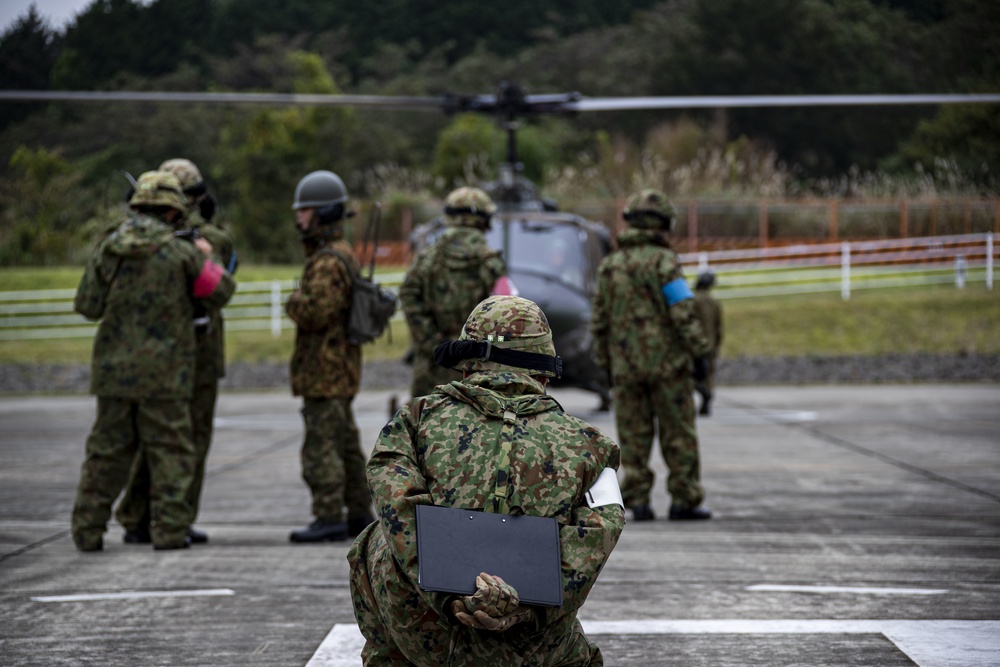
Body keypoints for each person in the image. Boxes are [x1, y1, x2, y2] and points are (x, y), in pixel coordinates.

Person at [348, 295, 624, 666]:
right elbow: (602, 529)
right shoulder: (593, 447)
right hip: (532, 647)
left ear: (467, 369)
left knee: (376, 539)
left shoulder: (414, 422)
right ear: (543, 375)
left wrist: (453, 598)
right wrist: (526, 610)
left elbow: (396, 505)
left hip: (430, 642)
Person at [71, 170, 235, 551]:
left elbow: (87, 305)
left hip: (113, 374)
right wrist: (206, 257)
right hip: (167, 375)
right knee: (172, 454)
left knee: (105, 454)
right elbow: (222, 291)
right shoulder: (181, 253)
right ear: (173, 212)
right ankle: (169, 532)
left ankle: (87, 531)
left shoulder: (109, 249)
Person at [114, 158, 238, 545]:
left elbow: (220, 287)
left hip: (194, 355)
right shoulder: (145, 242)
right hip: (168, 356)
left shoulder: (210, 240)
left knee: (182, 442)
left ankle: (168, 517)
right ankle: (146, 517)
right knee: (164, 441)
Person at [591, 189, 713, 522]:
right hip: (668, 366)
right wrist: (699, 352)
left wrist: (605, 363)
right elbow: (683, 312)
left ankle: (637, 499)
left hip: (626, 367)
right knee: (678, 434)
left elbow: (599, 320)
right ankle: (684, 499)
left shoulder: (610, 266)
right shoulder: (665, 262)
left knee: (632, 435)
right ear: (662, 224)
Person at [286, 169, 374, 543]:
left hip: (325, 369)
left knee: (321, 445)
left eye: (305, 211)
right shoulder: (339, 255)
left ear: (322, 214)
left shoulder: (326, 261)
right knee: (345, 443)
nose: (299, 218)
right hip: (337, 367)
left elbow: (316, 313)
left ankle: (327, 515)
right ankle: (357, 511)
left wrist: (293, 301)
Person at [399, 186, 510, 399]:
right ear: (484, 219)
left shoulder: (426, 259)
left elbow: (408, 295)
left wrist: (433, 342)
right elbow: (506, 312)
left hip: (432, 365)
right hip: (478, 370)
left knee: (428, 426)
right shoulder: (491, 263)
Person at [692, 270, 723, 416]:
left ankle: (701, 393)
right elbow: (719, 327)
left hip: (694, 343)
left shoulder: (692, 300)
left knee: (691, 374)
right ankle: (707, 399)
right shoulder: (714, 302)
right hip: (710, 344)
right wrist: (717, 344)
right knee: (708, 375)